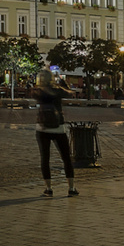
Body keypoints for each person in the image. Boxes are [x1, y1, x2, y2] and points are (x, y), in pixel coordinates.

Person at [32, 69, 78, 197]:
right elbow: (71, 94)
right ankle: (71, 188)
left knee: (45, 159)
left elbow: (34, 94)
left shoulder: (37, 92)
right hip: (59, 128)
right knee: (66, 158)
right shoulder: (58, 91)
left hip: (42, 128)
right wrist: (62, 83)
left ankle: (48, 188)